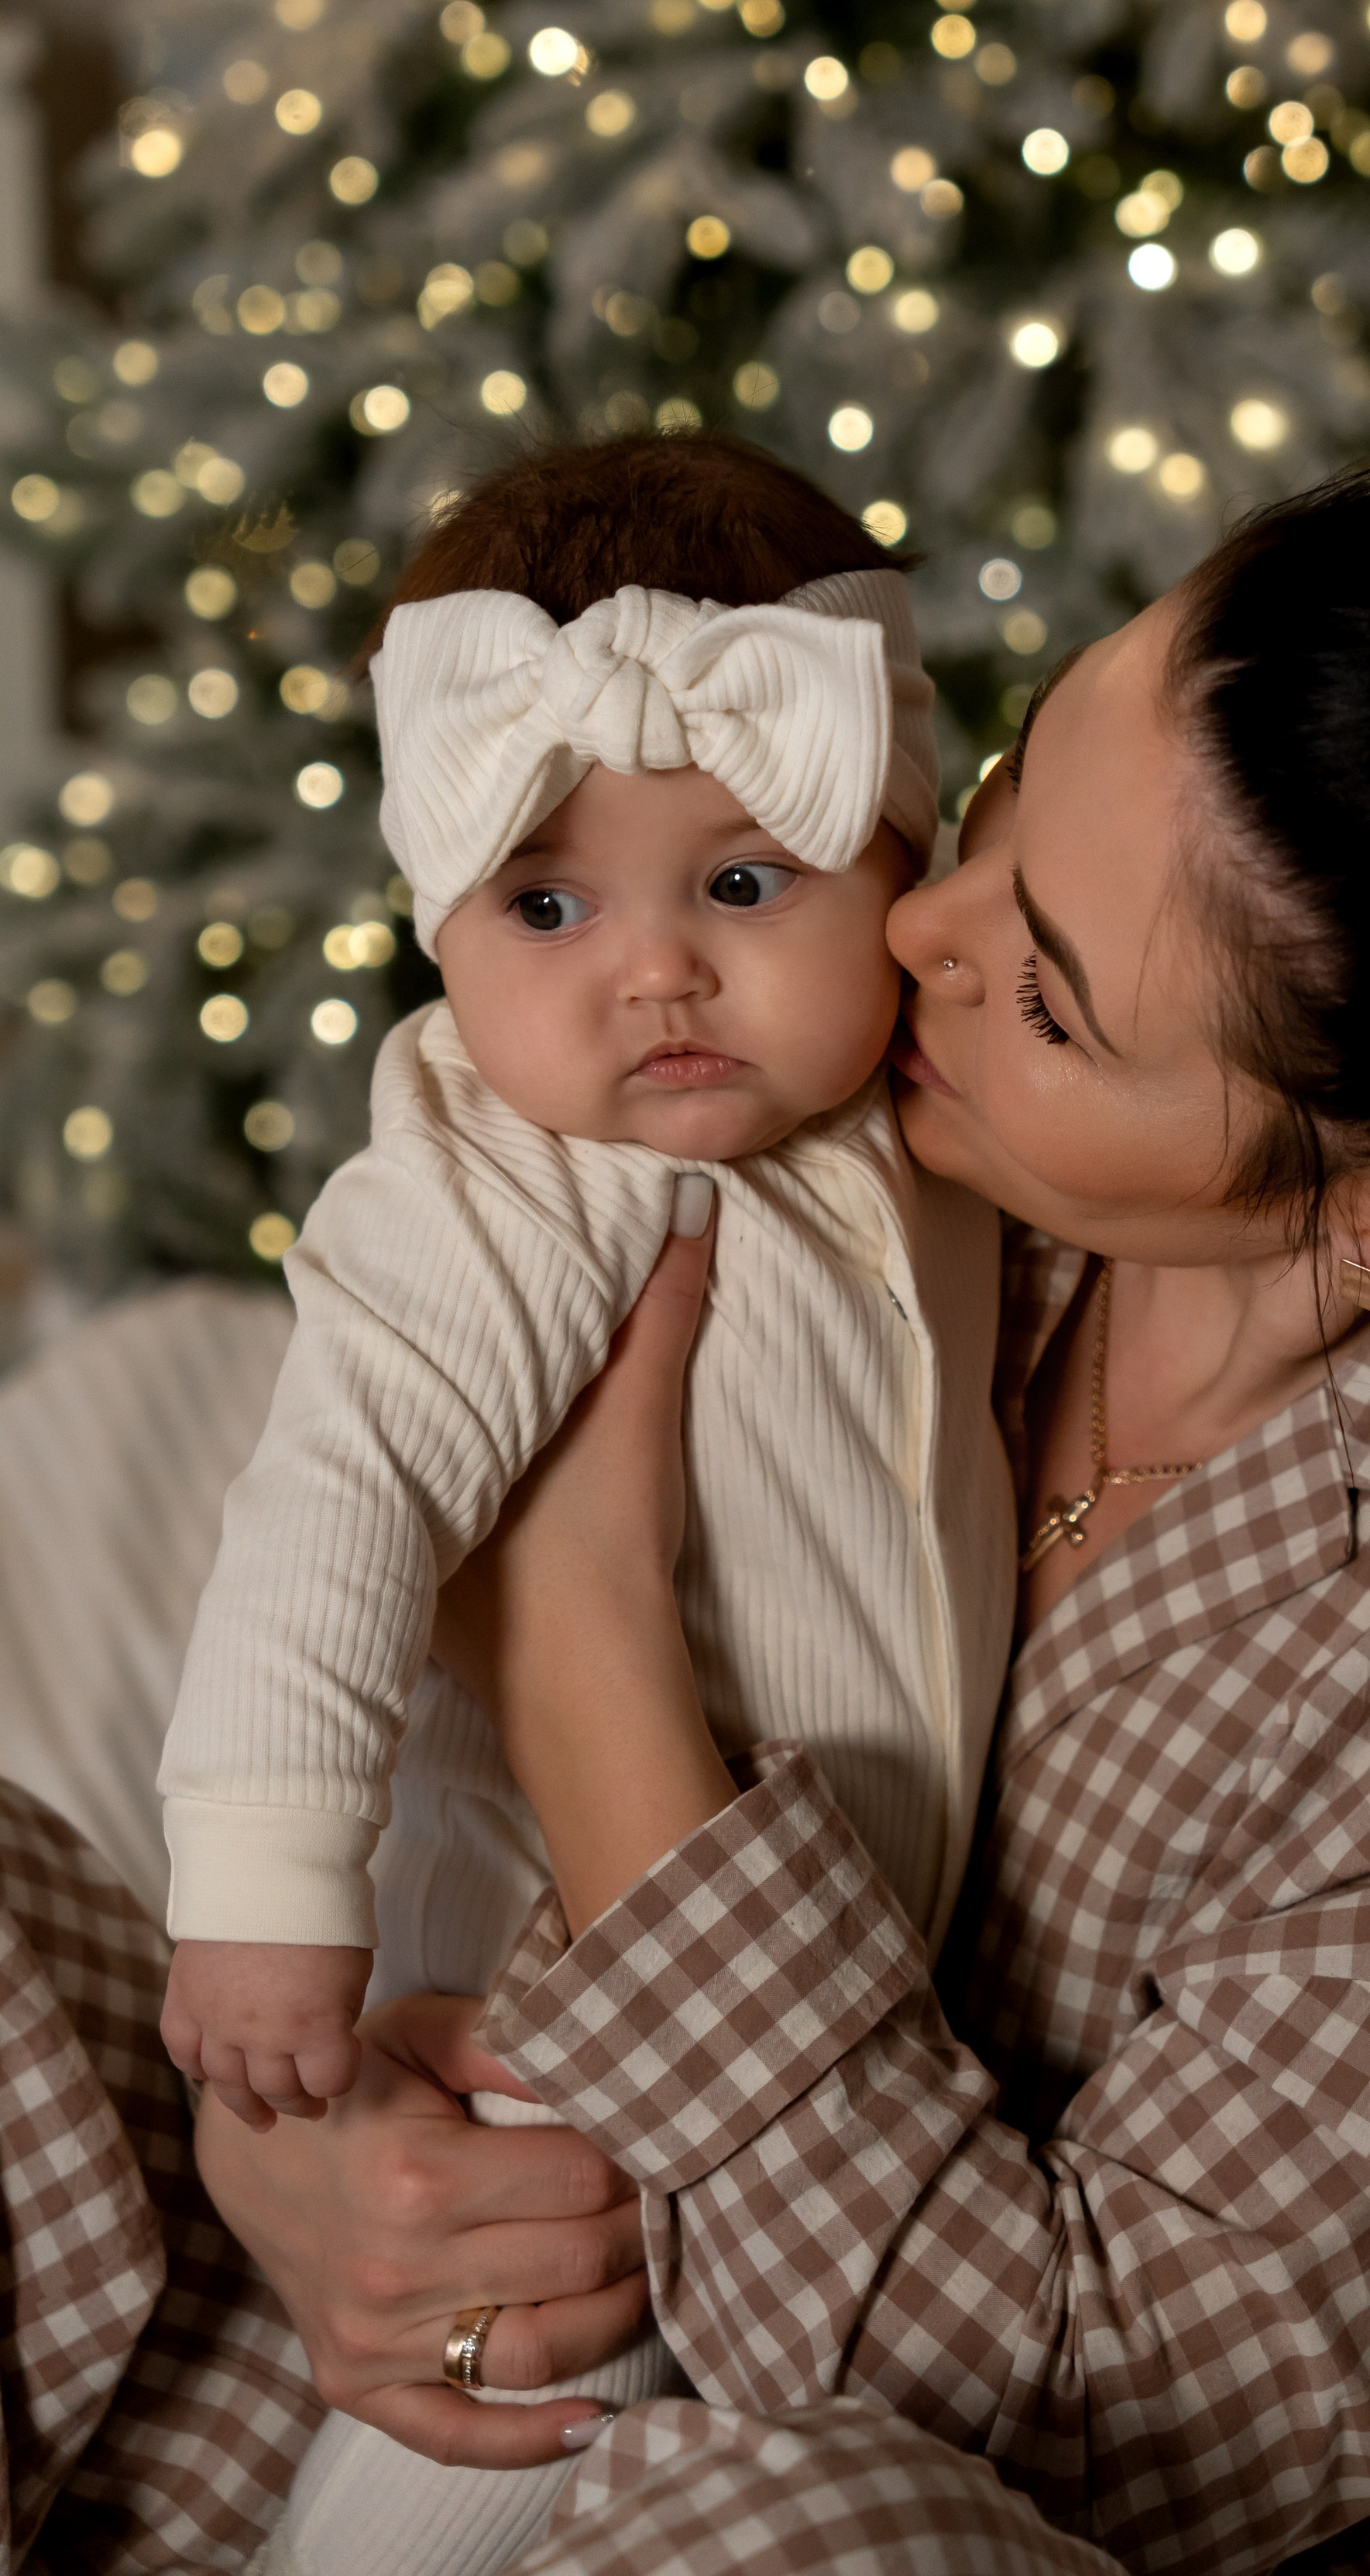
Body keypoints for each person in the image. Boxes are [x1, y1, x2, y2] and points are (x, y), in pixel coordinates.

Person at [2, 355, 1370, 2574]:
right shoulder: (868, 1098)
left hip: (1013, 2497)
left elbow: (1074, 2416)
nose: (910, 921)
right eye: (1018, 778)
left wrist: (583, 1644)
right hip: (524, 2271)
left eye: (1046, 994)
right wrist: (311, 2158)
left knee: (788, 2531)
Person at [155, 433, 1016, 2576]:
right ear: (438, 926)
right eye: (549, 905)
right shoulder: (506, 1188)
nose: (655, 974)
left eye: (745, 884)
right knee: (514, 2418)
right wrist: (263, 1876)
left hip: (828, 2029)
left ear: (904, 850)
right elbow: (334, 1502)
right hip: (557, 2019)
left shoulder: (926, 1141)